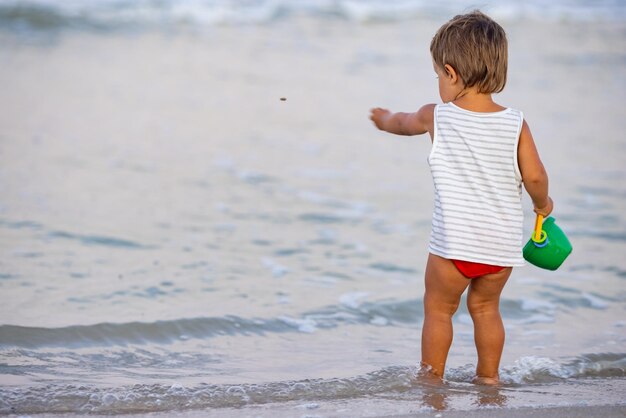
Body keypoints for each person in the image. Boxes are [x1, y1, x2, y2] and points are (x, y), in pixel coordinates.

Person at [369, 10, 553, 385]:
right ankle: (488, 379)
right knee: (486, 309)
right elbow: (535, 176)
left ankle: (432, 380)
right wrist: (542, 205)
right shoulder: (516, 122)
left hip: (453, 246)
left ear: (450, 73)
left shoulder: (437, 116)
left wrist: (383, 118)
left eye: (438, 74)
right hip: (499, 247)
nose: (438, 81)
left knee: (438, 310)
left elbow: (402, 124)